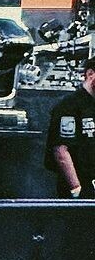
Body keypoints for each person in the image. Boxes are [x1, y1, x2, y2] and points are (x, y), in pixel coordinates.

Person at [44, 57, 95, 199]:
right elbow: (61, 152)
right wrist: (76, 189)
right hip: (82, 185)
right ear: (90, 74)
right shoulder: (69, 106)